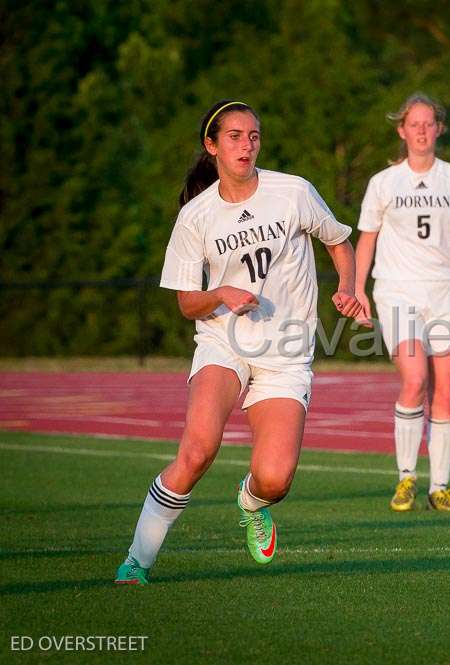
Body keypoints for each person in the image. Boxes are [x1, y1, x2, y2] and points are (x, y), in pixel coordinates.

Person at [114, 100, 363, 585]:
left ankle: (251, 503)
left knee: (275, 479)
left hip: (286, 352)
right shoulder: (195, 217)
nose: (246, 145)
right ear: (212, 146)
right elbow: (188, 304)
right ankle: (137, 561)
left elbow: (338, 241)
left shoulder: (294, 192)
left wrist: (348, 287)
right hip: (222, 343)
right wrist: (221, 294)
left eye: (253, 136)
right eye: (234, 136)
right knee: (197, 450)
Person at [355, 93, 450, 513]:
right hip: (397, 289)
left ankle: (440, 486)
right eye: (413, 124)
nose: (421, 130)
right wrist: (357, 288)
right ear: (401, 130)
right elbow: (366, 238)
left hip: (443, 290)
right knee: (416, 378)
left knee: (447, 388)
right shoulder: (383, 183)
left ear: (438, 128)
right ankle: (406, 478)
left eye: (428, 123)